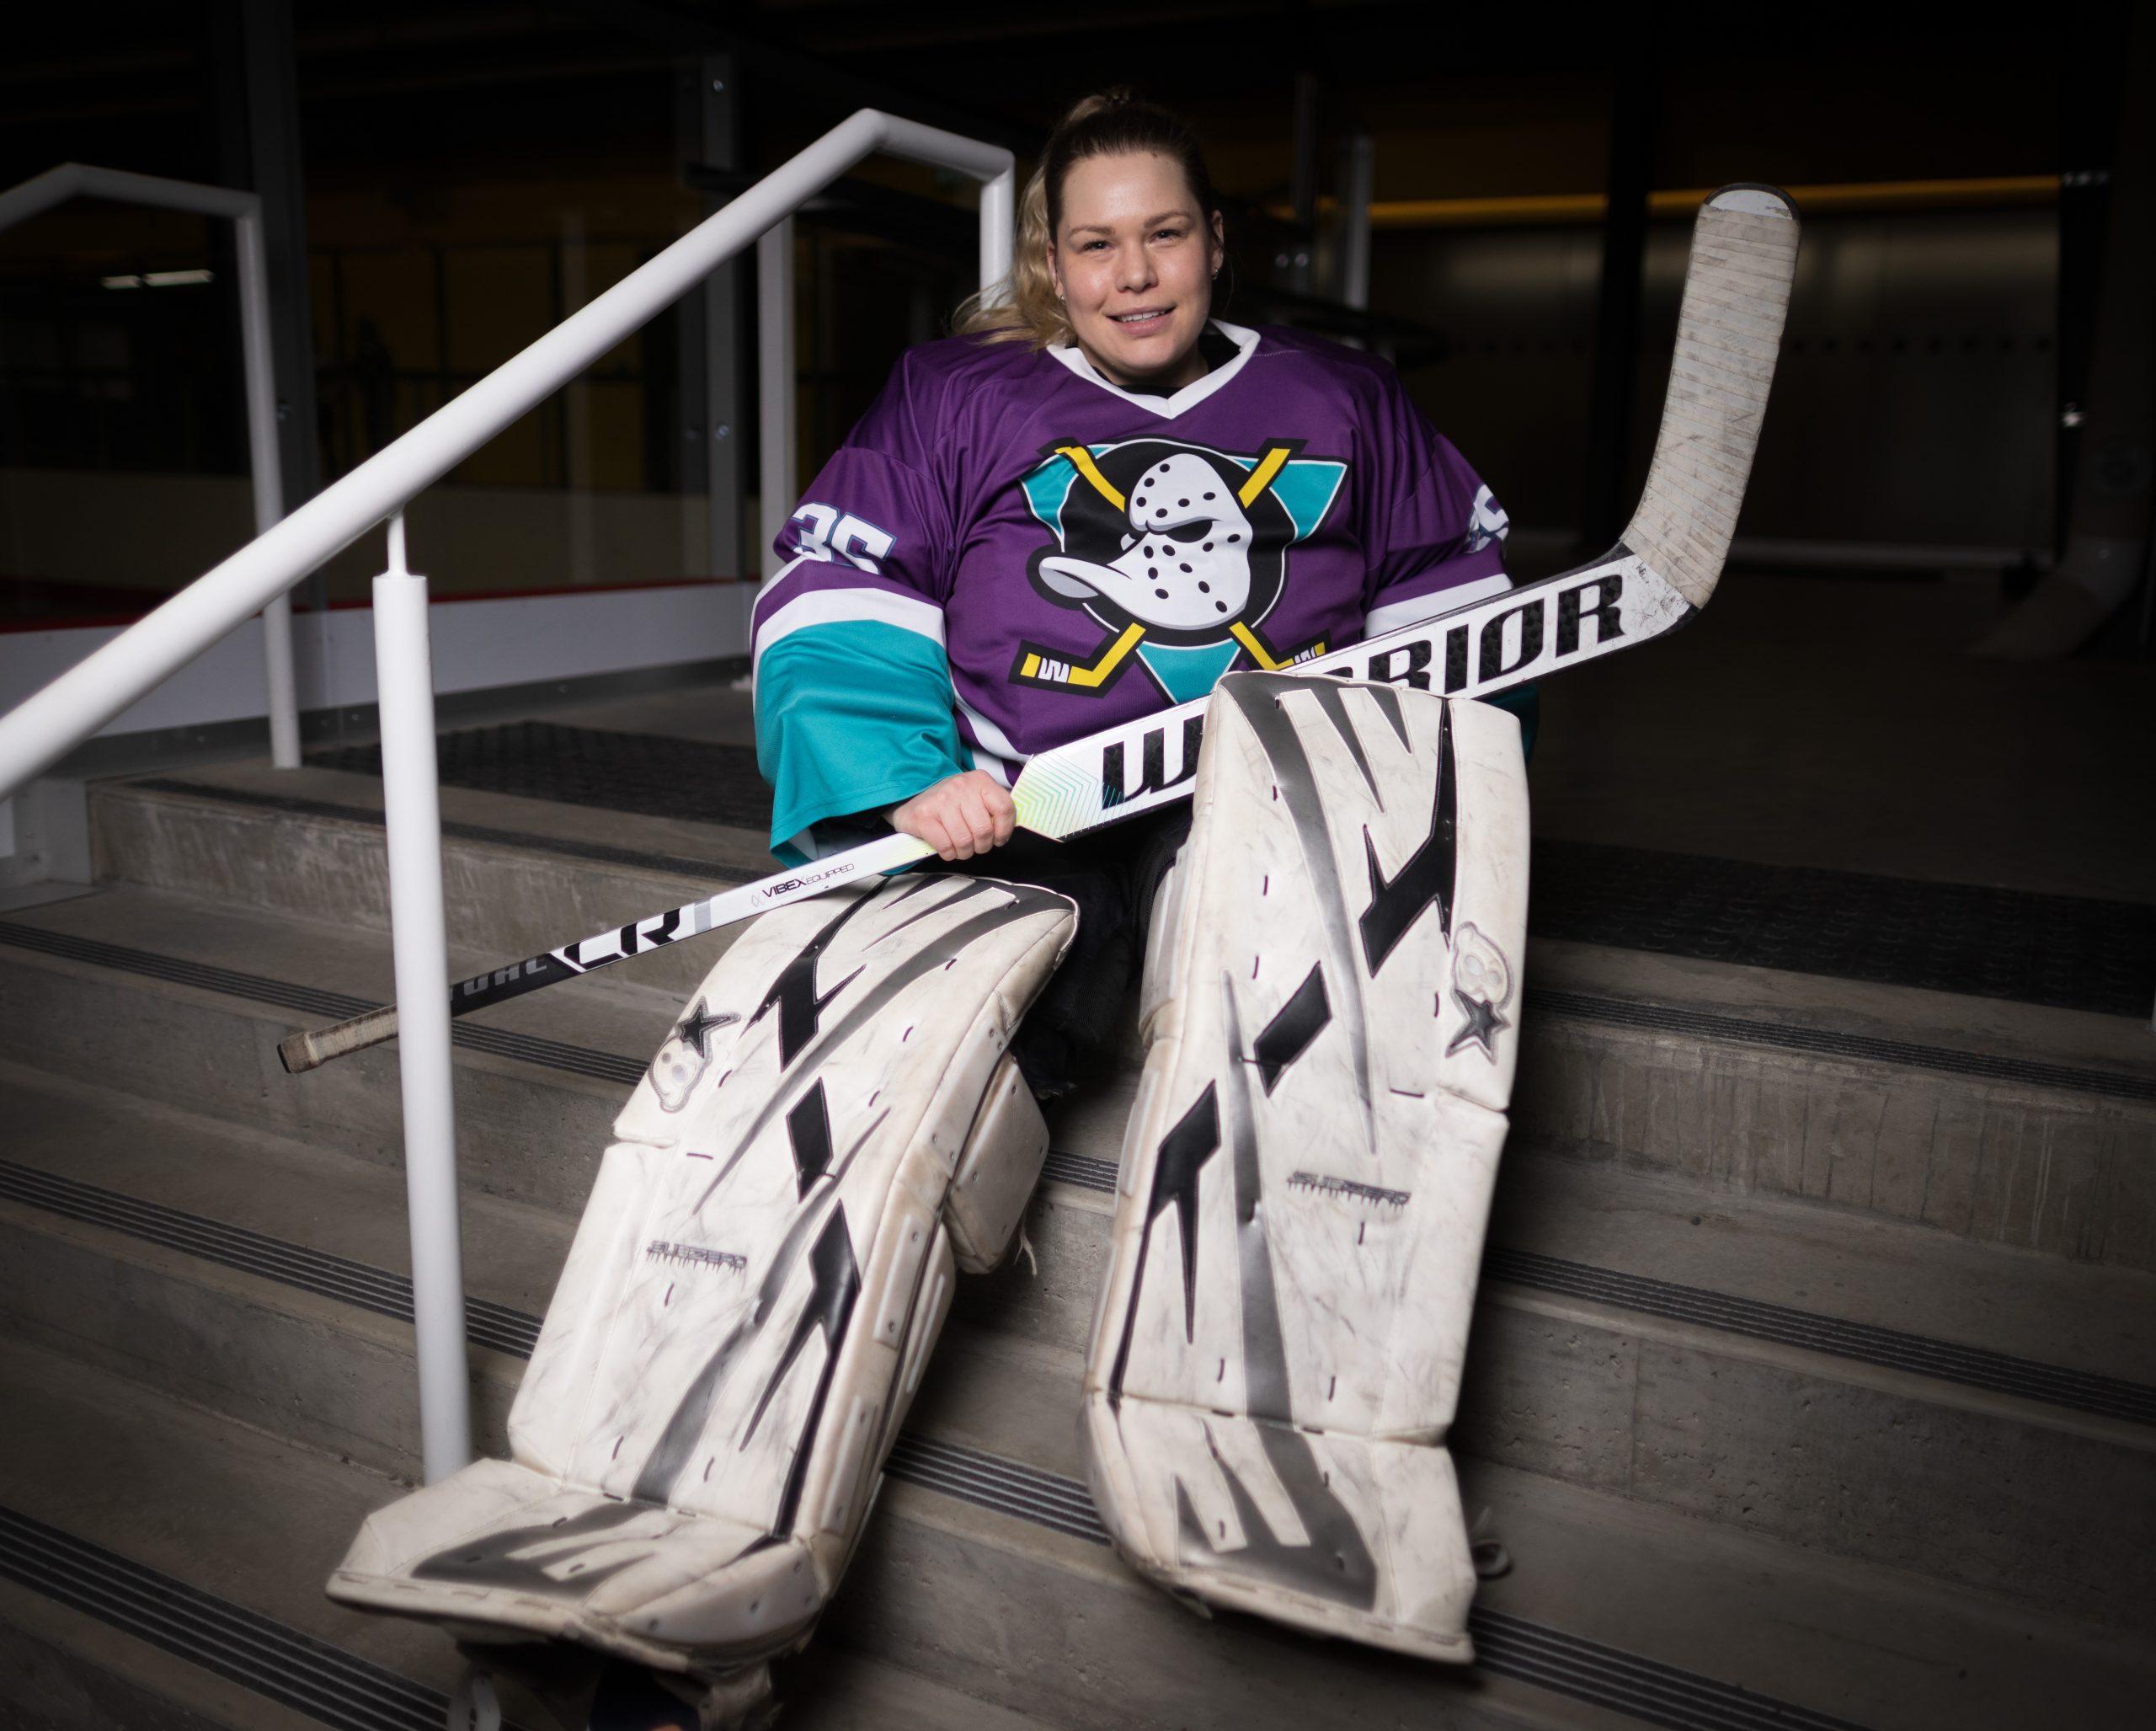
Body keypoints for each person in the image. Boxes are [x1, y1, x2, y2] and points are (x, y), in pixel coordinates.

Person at [751, 88, 1521, 1099]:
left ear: (1213, 239)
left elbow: (1445, 600)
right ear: (1053, 263)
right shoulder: (956, 393)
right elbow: (844, 583)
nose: (1135, 277)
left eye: (1164, 234)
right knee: (1025, 967)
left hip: (1255, 793)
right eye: (1096, 245)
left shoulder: (1345, 397)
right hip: (1018, 795)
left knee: (1249, 936)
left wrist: (1391, 797)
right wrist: (910, 777)